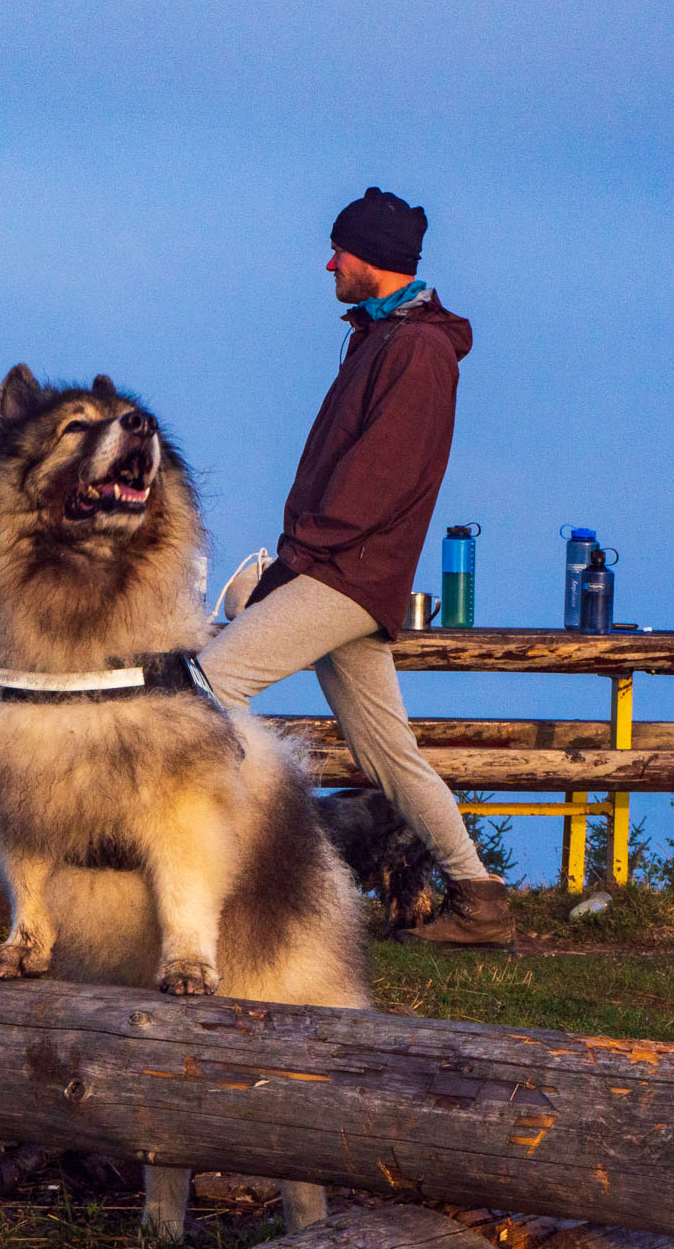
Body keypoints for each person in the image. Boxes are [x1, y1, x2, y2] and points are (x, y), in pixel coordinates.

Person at [198, 187, 515, 948]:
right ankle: (481, 900)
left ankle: (238, 865)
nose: (329, 262)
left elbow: (375, 482)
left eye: (339, 250)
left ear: (368, 259)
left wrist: (290, 567)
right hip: (345, 571)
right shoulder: (383, 337)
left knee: (206, 686)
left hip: (343, 574)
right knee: (388, 753)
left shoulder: (417, 351)